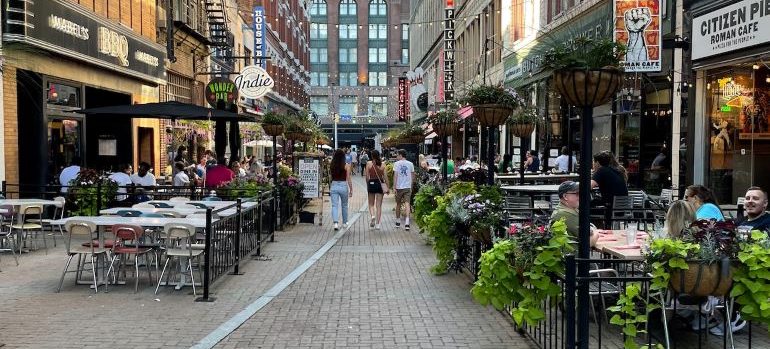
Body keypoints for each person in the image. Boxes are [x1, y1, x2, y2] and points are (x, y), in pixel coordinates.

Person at [550, 181, 599, 247]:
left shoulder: (570, 209)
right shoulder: (564, 214)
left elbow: (589, 227)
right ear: (565, 196)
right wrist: (596, 233)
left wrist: (592, 231)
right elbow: (587, 241)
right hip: (572, 256)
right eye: (577, 193)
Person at [365, 150, 389, 230]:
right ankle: (378, 224)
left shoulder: (369, 164)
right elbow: (385, 177)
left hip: (371, 183)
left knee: (371, 204)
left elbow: (367, 177)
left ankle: (372, 216)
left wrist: (368, 185)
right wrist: (388, 187)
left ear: (372, 156)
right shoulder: (383, 164)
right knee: (379, 205)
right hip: (380, 184)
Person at [330, 149, 353, 231]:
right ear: (343, 156)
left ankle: (335, 223)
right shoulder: (346, 165)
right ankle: (345, 222)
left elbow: (330, 177)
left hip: (334, 185)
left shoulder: (332, 164)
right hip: (343, 185)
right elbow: (349, 178)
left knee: (334, 205)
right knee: (344, 205)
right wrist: (351, 189)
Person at [393, 149, 415, 231]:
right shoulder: (410, 164)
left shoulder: (396, 164)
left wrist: (394, 187)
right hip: (407, 187)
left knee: (398, 204)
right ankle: (407, 222)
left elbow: (395, 176)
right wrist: (411, 186)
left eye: (398, 155)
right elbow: (413, 177)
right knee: (407, 204)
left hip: (399, 187)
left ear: (401, 155)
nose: (397, 156)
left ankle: (398, 221)